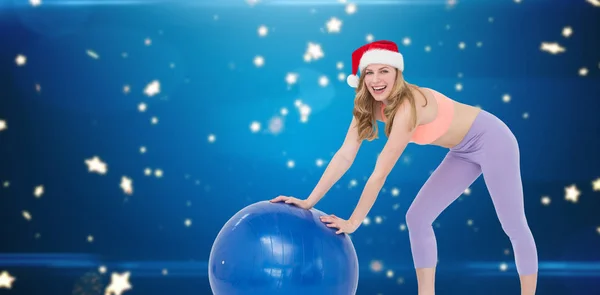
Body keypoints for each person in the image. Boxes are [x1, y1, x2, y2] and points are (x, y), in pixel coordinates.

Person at [270, 40, 538, 295]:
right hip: (461, 151)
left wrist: (354, 221)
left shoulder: (408, 106)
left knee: (513, 224)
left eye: (384, 71)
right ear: (361, 78)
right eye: (369, 73)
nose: (376, 80)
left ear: (397, 72)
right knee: (417, 218)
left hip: (493, 139)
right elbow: (344, 155)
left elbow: (380, 172)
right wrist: (308, 201)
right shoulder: (366, 106)